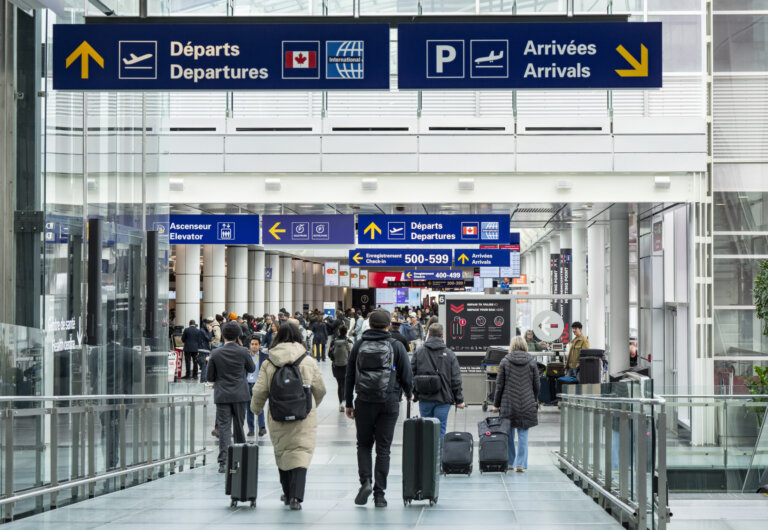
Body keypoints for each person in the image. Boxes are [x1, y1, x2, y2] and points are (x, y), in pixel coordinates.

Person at [250, 324, 326, 511]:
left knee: (283, 453)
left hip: (278, 414)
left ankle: (286, 492)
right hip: (304, 416)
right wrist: (311, 404)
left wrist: (255, 408)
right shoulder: (307, 360)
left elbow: (260, 390)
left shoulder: (269, 362)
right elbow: (321, 389)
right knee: (301, 452)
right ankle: (296, 498)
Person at [345, 309, 413, 508]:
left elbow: (350, 375)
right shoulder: (396, 346)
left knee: (364, 445)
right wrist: (409, 393)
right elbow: (406, 373)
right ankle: (379, 495)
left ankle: (365, 481)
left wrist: (348, 402)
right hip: (389, 401)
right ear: (389, 326)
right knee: (383, 449)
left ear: (369, 325)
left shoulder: (359, 345)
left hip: (364, 401)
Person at [206, 321, 256, 473]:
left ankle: (223, 462)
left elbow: (210, 377)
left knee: (224, 428)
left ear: (223, 335)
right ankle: (241, 459)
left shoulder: (215, 352)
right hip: (240, 393)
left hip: (222, 395)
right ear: (238, 336)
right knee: (239, 427)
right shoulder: (244, 351)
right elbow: (252, 368)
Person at [493, 336, 539, 473]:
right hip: (527, 402)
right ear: (525, 345)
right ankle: (521, 463)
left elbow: (499, 385)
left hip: (508, 403)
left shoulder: (505, 361)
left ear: (512, 346)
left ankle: (510, 462)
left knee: (509, 434)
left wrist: (496, 404)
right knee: (523, 434)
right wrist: (533, 398)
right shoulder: (531, 361)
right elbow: (537, 384)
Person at [411, 323, 465, 441]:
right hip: (443, 398)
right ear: (442, 336)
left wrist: (413, 393)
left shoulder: (418, 352)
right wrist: (459, 400)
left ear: (428, 334)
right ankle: (438, 459)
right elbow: (456, 379)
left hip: (425, 398)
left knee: (426, 429)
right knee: (440, 430)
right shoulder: (449, 354)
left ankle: (426, 458)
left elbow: (411, 374)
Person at [246, 336, 268, 437]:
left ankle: (262, 428)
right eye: (252, 344)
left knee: (259, 406)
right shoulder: (246, 356)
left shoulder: (264, 356)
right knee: (249, 407)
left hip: (258, 384)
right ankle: (251, 429)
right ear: (249, 345)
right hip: (247, 384)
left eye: (256, 344)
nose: (254, 346)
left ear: (260, 346)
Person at [330, 325, 353, 412]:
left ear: (339, 331)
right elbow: (352, 354)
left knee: (340, 385)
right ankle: (345, 402)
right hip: (346, 366)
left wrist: (334, 359)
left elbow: (330, 353)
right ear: (346, 332)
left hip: (336, 366)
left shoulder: (334, 341)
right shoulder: (349, 341)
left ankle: (341, 404)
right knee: (345, 384)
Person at [199, 318, 213, 383]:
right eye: (210, 324)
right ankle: (203, 379)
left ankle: (204, 379)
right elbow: (209, 339)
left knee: (205, 365)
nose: (211, 326)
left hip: (205, 349)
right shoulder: (203, 330)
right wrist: (210, 332)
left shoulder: (204, 330)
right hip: (203, 349)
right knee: (204, 365)